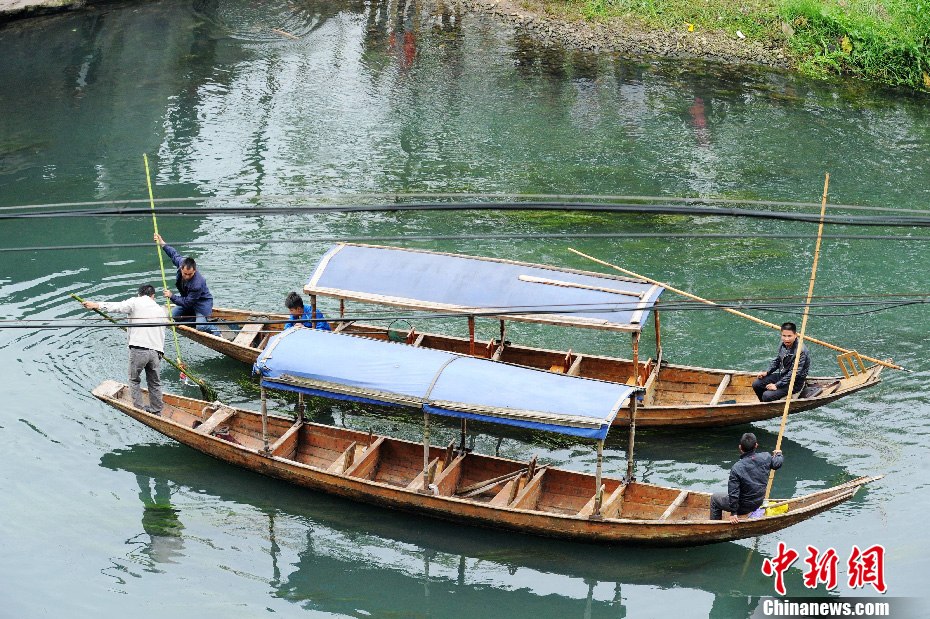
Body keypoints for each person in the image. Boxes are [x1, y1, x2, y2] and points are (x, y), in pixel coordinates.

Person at [83, 284, 167, 414]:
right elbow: (162, 333)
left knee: (134, 379)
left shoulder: (135, 301)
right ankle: (157, 410)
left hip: (139, 349)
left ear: (139, 294)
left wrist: (97, 305)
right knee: (155, 383)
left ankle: (140, 410)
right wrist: (160, 353)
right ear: (153, 296)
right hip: (156, 352)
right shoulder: (161, 310)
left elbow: (118, 307)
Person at [153, 233, 219, 336]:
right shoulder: (181, 263)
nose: (187, 276)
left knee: (201, 327)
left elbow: (188, 303)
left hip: (201, 305)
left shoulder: (197, 283)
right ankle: (195, 319)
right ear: (181, 268)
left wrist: (172, 296)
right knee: (174, 317)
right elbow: (173, 254)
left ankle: (214, 328)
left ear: (195, 270)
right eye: (185, 274)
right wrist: (162, 243)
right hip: (188, 301)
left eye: (190, 274)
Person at [710, 432, 783, 522]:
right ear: (756, 445)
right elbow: (777, 463)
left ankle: (715, 524)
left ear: (740, 447)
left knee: (714, 498)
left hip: (743, 507)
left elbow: (734, 493)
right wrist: (779, 454)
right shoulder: (766, 457)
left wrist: (733, 513)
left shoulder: (736, 468)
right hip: (758, 502)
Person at [752, 322, 810, 402]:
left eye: (789, 336)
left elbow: (794, 373)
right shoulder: (783, 344)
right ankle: (763, 404)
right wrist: (767, 372)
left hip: (794, 382)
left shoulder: (801, 351)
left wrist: (777, 385)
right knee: (757, 384)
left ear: (795, 335)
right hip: (782, 375)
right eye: (784, 336)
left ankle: (770, 406)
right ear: (781, 335)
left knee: (767, 395)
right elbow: (777, 360)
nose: (786, 339)